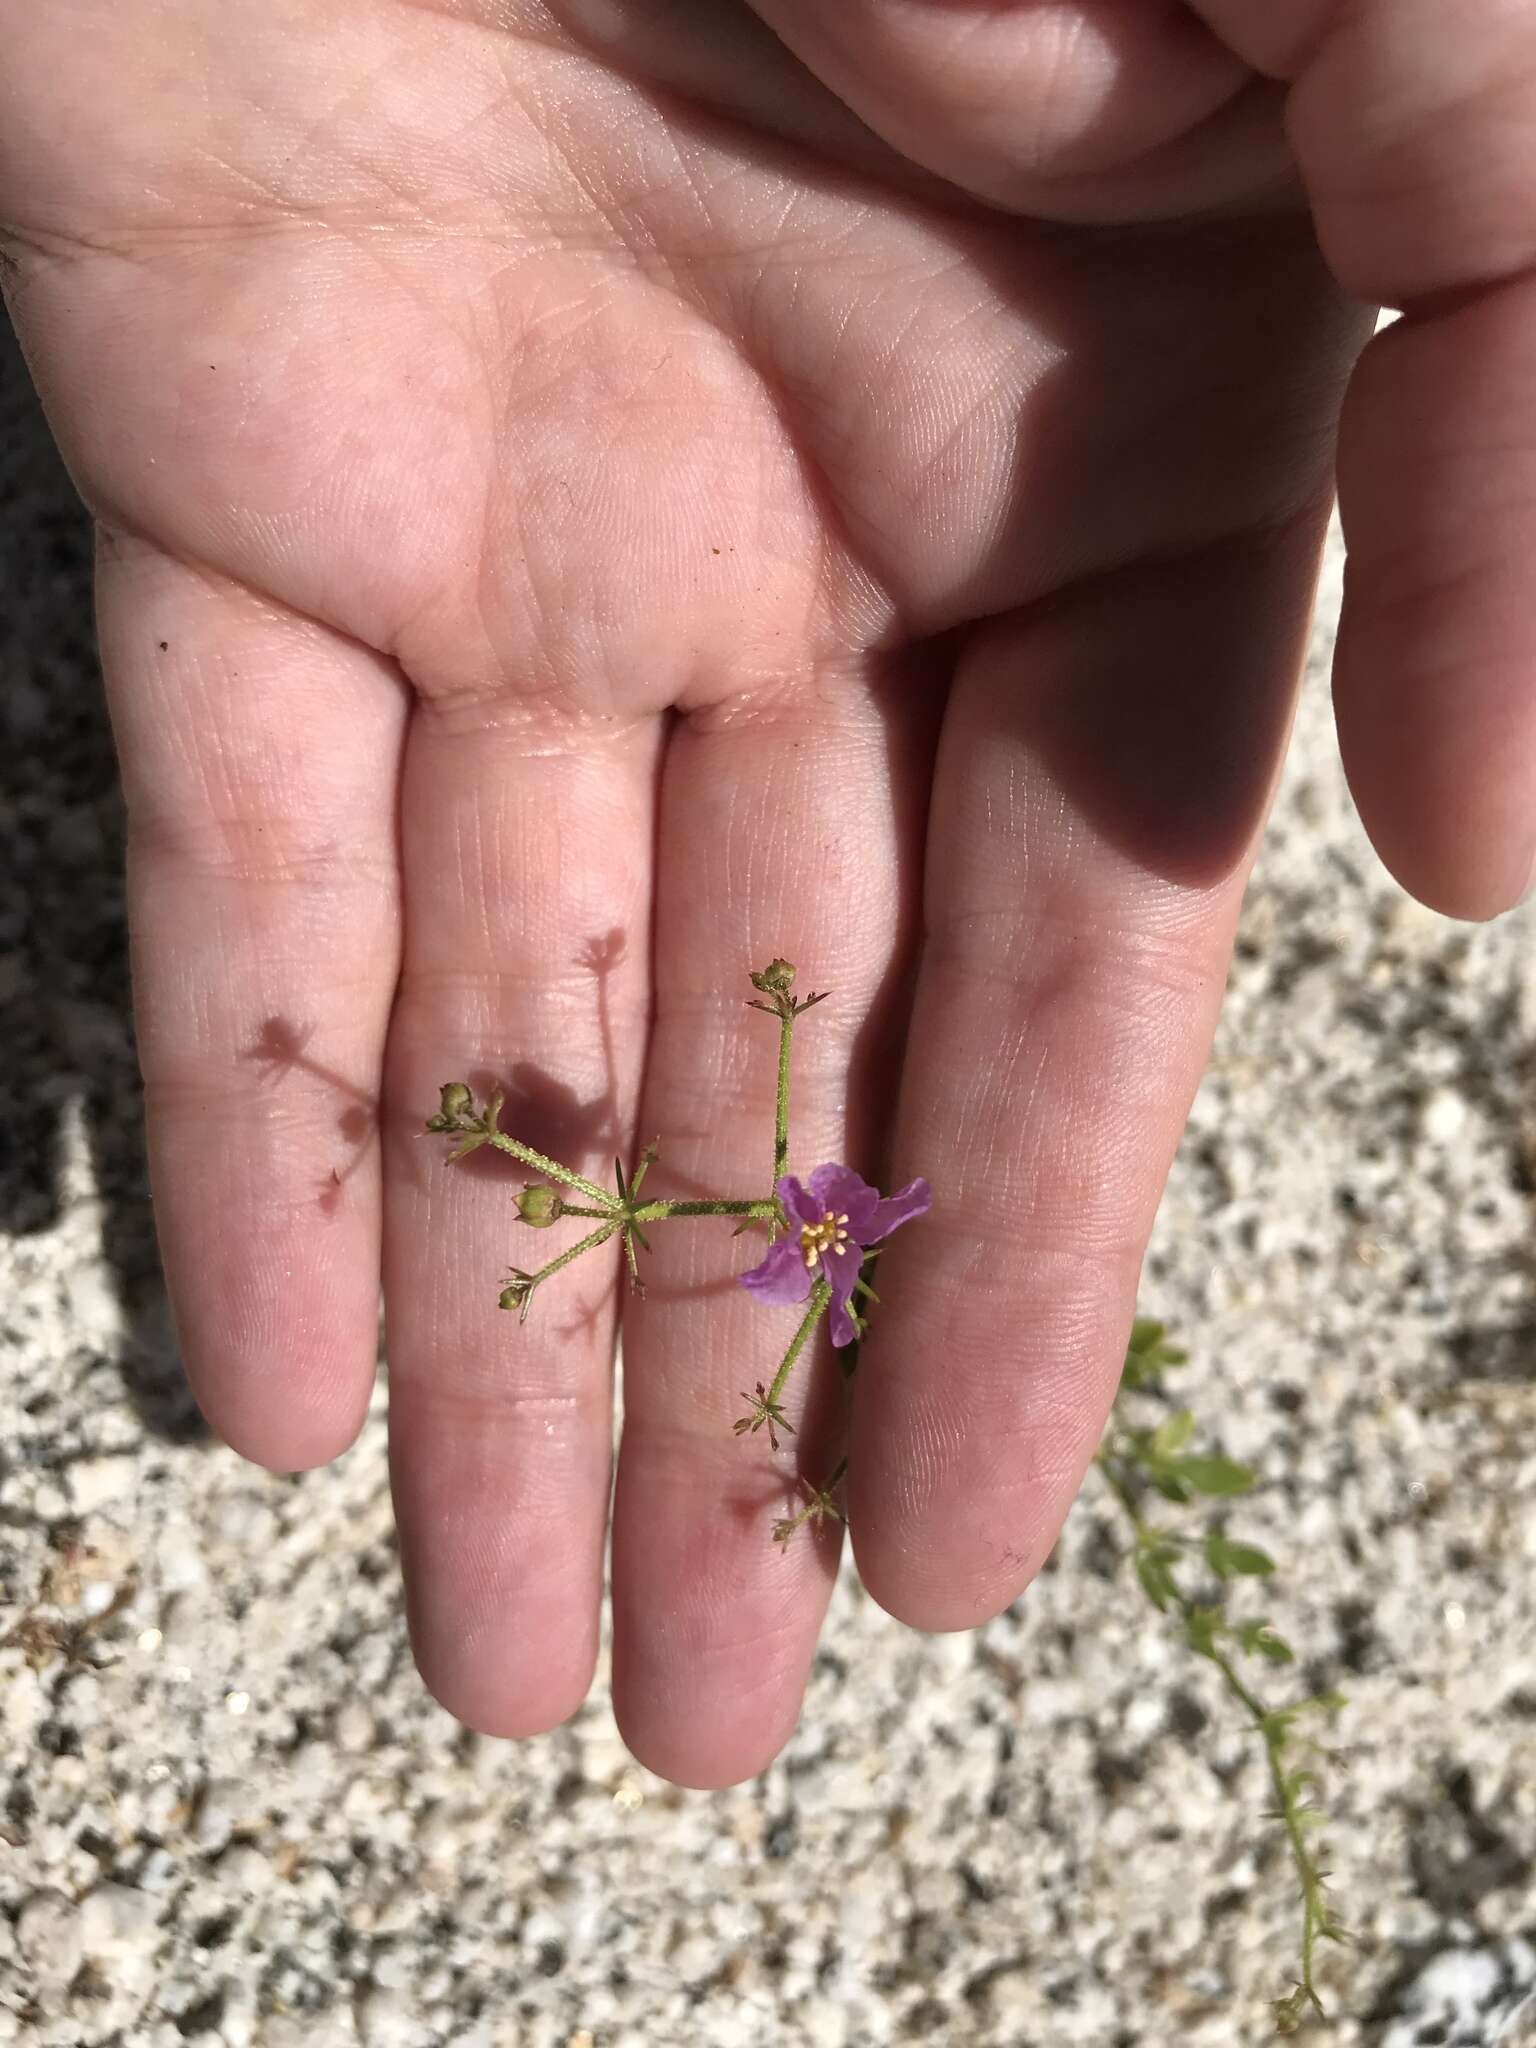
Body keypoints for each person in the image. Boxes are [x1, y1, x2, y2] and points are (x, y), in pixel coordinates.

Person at [2, 1, 1529, 1791]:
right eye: (827, 1243)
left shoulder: (813, 1220)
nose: (821, 1249)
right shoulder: (802, 1219)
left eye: (829, 1244)